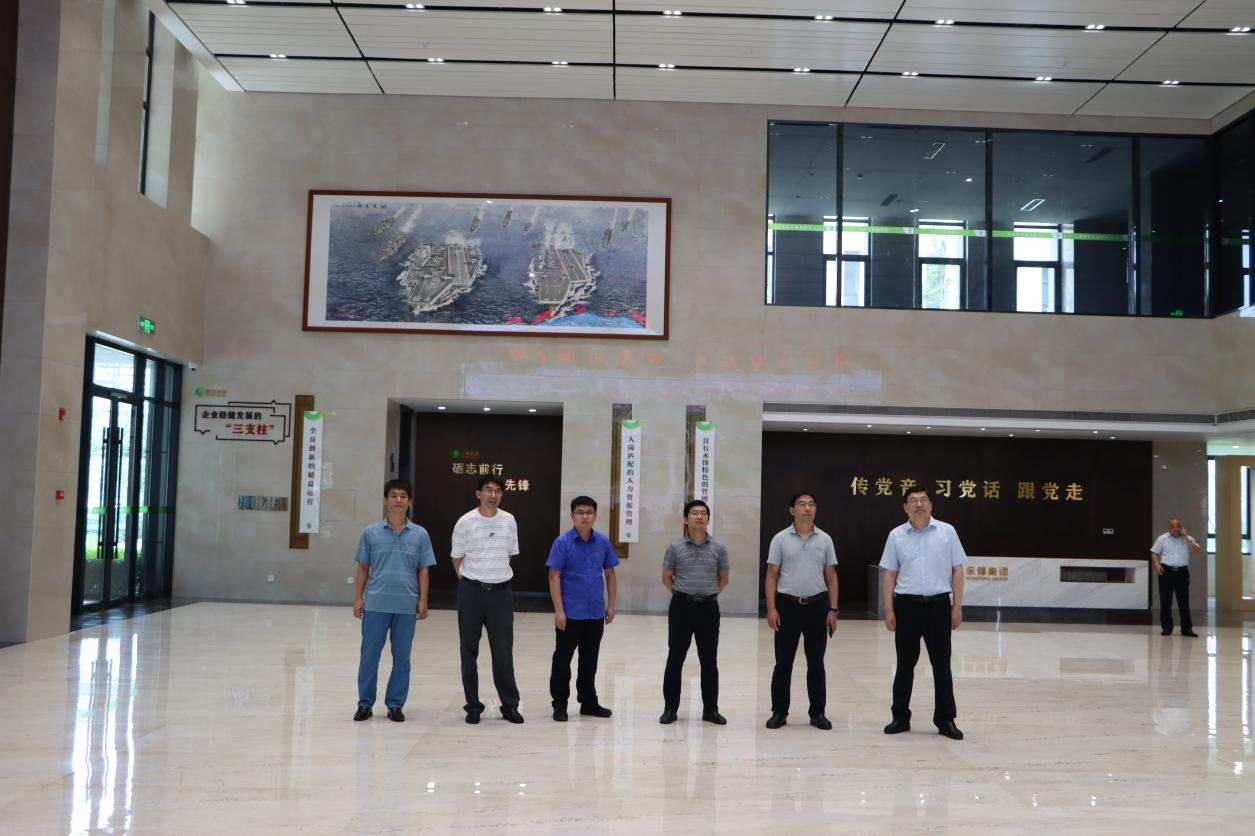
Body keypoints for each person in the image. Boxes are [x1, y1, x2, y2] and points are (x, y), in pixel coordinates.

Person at [879, 485, 966, 741]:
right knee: (904, 665)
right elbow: (890, 574)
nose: (919, 504)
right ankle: (900, 717)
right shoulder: (896, 535)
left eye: (924, 499)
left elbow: (957, 570)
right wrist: (889, 609)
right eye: (913, 500)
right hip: (906, 606)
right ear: (905, 507)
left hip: (939, 606)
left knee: (942, 665)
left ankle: (945, 719)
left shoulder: (947, 532)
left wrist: (957, 606)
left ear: (931, 504)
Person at [353, 479, 436, 723]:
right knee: (369, 656)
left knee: (402, 658)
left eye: (403, 496)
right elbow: (363, 568)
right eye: (393, 495)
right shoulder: (370, 533)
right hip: (376, 604)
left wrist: (423, 599)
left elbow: (423, 569)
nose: (398, 500)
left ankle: (395, 704)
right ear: (385, 500)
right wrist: (358, 598)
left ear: (409, 501)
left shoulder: (420, 534)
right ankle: (365, 703)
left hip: (406, 605)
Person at [763, 491, 838, 731]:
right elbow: (771, 575)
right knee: (783, 664)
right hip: (787, 607)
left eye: (811, 504)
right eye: (802, 504)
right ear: (792, 510)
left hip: (818, 607)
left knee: (816, 663)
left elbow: (831, 576)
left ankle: (817, 713)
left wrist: (833, 609)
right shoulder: (780, 539)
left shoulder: (825, 539)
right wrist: (772, 608)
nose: (807, 508)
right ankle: (779, 712)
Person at [452, 476, 523, 724]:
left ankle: (510, 705)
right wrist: (473, 581)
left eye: (498, 491)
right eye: (488, 490)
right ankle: (473, 706)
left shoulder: (509, 520)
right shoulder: (465, 522)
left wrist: (494, 577)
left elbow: (508, 555)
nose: (493, 495)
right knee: (468, 651)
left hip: (501, 595)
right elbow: (457, 559)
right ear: (478, 494)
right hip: (471, 593)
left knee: (503, 651)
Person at [546, 496, 620, 722]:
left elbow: (610, 573)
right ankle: (560, 704)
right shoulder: (563, 542)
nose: (585, 516)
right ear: (572, 516)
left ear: (595, 516)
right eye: (580, 512)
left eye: (589, 512)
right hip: (570, 613)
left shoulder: (603, 542)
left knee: (589, 661)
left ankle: (588, 702)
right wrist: (559, 611)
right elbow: (554, 576)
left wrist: (611, 605)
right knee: (562, 661)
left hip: (595, 613)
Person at [660, 499, 729, 725]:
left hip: (708, 608)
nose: (699, 517)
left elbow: (724, 578)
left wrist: (709, 594)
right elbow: (666, 577)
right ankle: (670, 709)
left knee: (709, 660)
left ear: (708, 519)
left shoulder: (718, 548)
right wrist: (682, 594)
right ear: (685, 519)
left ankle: (710, 709)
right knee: (675, 658)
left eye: (703, 513)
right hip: (681, 607)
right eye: (694, 513)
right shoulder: (675, 547)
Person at [1150, 518, 1202, 637]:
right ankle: (1167, 628)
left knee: (1184, 601)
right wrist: (1157, 564)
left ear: (1181, 527)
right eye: (1173, 527)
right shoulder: (1162, 538)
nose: (1175, 529)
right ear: (1169, 528)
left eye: (1178, 526)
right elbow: (1154, 552)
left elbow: (1196, 551)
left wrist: (1186, 537)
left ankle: (1186, 629)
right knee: (1165, 601)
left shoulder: (1188, 539)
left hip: (1182, 572)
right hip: (1166, 571)